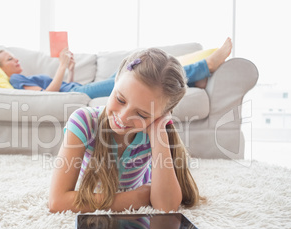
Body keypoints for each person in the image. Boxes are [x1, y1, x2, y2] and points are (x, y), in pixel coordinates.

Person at [49, 47, 202, 213]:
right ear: (115, 82)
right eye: (120, 99)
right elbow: (57, 202)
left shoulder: (152, 131)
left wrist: (159, 134)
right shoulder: (83, 122)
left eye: (142, 114)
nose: (123, 118)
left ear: (162, 115)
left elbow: (166, 207)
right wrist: (136, 198)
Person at [0, 38, 232, 99]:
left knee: (133, 69)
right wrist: (61, 67)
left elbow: (64, 85)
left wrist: (70, 70)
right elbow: (47, 96)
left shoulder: (23, 75)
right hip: (76, 95)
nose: (16, 61)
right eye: (10, 60)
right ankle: (205, 67)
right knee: (141, 72)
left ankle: (193, 79)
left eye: (14, 57)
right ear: (1, 67)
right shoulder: (16, 82)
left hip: (81, 88)